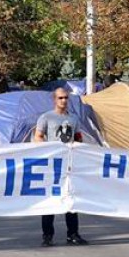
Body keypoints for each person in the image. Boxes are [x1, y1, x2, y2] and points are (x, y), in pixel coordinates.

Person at [34, 87, 88, 247]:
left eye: (66, 98)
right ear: (54, 99)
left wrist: (78, 148)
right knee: (51, 199)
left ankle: (73, 234)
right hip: (53, 165)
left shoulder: (73, 119)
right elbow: (38, 137)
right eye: (60, 98)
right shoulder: (46, 118)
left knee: (71, 198)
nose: (63, 101)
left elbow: (78, 137)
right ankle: (47, 235)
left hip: (69, 165)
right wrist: (49, 150)